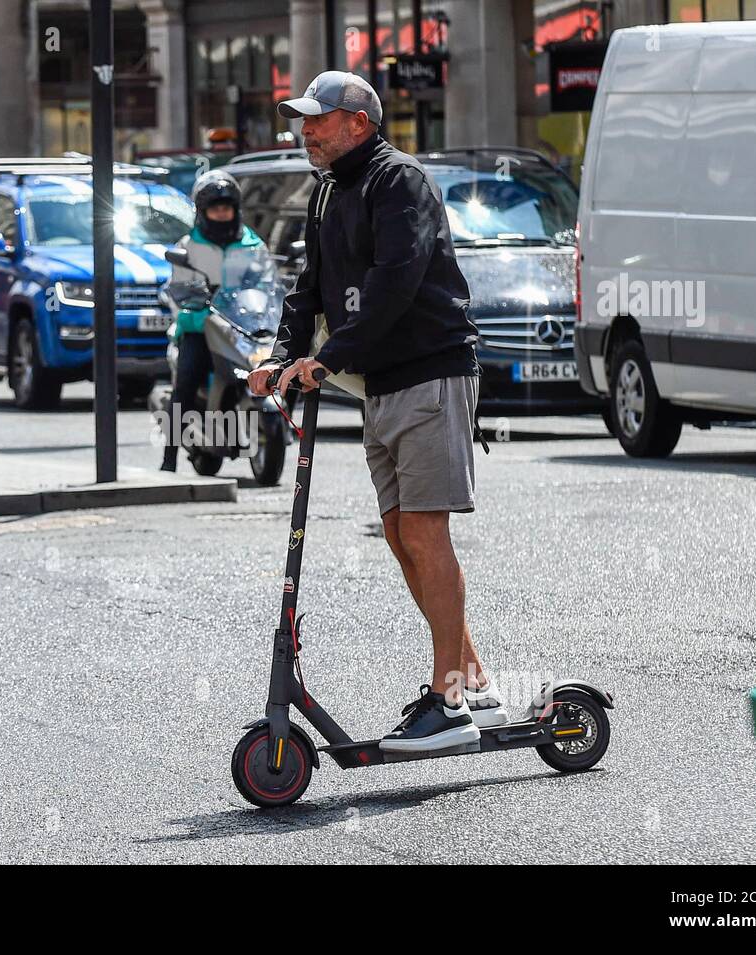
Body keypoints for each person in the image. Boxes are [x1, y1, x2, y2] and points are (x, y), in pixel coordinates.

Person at [248, 71, 509, 752]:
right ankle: (473, 677)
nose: (304, 130)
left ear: (358, 122)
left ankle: (448, 698)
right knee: (399, 534)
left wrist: (331, 357)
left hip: (430, 369)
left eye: (317, 119)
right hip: (382, 382)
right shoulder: (329, 189)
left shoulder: (400, 182)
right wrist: (280, 356)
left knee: (425, 530)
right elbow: (307, 290)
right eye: (301, 120)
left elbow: (398, 279)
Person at [161, 170, 268, 471]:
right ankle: (168, 458)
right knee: (186, 383)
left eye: (226, 207)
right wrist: (191, 301)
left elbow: (266, 281)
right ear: (203, 212)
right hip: (199, 329)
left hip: (241, 329)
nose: (222, 214)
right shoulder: (188, 246)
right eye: (215, 208)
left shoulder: (252, 245)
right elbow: (178, 288)